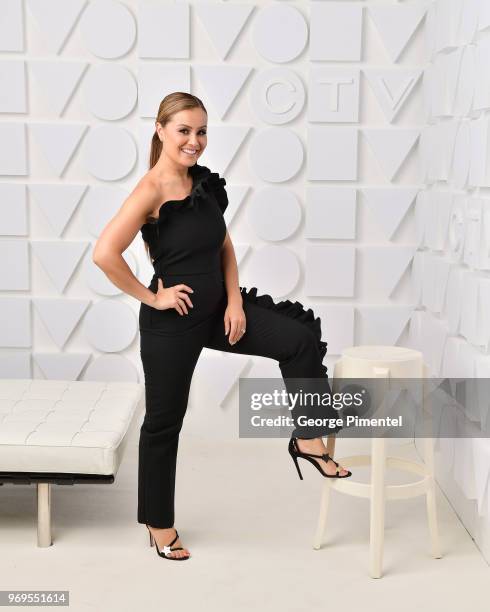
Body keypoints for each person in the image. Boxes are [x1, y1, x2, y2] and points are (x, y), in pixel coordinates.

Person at [93, 92, 352, 562]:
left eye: (202, 131)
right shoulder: (150, 191)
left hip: (219, 310)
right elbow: (104, 254)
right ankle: (159, 523)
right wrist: (153, 296)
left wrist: (235, 301)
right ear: (160, 130)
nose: (195, 141)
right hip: (172, 323)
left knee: (298, 339)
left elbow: (225, 248)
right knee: (164, 423)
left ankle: (308, 438)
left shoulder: (203, 184)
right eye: (184, 131)